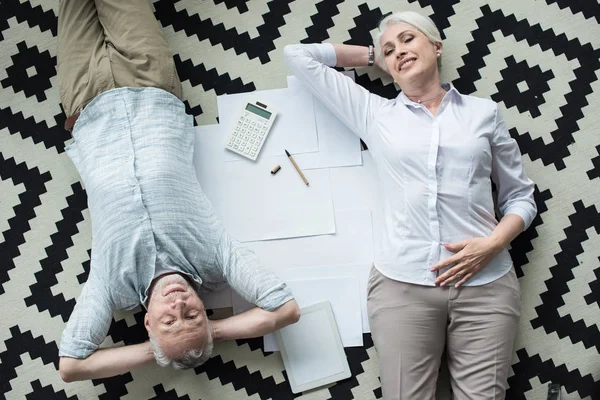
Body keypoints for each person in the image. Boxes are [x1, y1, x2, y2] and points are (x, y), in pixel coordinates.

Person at [284, 11, 536, 400]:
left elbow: (521, 197)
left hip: (486, 285)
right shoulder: (374, 113)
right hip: (403, 286)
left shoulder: (484, 113)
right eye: (391, 49)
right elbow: (297, 55)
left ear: (436, 47)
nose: (399, 50)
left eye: (407, 39)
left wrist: (493, 244)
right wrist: (374, 55)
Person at [57, 0, 300, 382]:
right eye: (194, 314)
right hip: (150, 83)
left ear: (149, 324)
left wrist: (158, 349)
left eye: (169, 320)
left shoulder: (110, 286)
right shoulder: (215, 257)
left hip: (84, 104)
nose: (179, 304)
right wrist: (212, 333)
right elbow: (284, 310)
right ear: (205, 308)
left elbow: (71, 367)